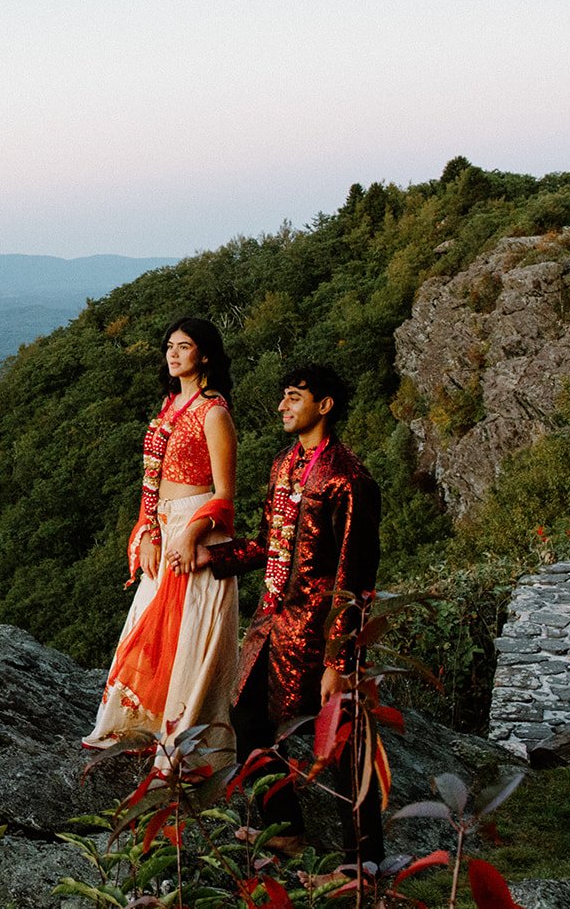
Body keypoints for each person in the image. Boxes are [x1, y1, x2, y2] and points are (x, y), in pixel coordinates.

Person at [197, 362, 384, 862]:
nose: (282, 405)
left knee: (341, 742)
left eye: (293, 397)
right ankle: (285, 830)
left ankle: (361, 862)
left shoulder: (348, 480)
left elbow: (355, 580)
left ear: (324, 406)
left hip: (320, 633)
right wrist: (213, 557)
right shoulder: (284, 464)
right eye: (284, 395)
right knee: (248, 719)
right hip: (271, 625)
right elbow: (268, 545)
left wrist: (340, 662)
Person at [82, 317, 239, 765]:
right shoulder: (170, 405)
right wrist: (149, 532)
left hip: (198, 526)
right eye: (169, 346)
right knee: (149, 624)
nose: (173, 354)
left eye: (184, 347)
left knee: (191, 634)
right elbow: (150, 484)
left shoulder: (214, 413)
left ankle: (186, 743)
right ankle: (144, 724)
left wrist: (192, 534)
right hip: (165, 525)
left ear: (204, 355)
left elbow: (225, 494)